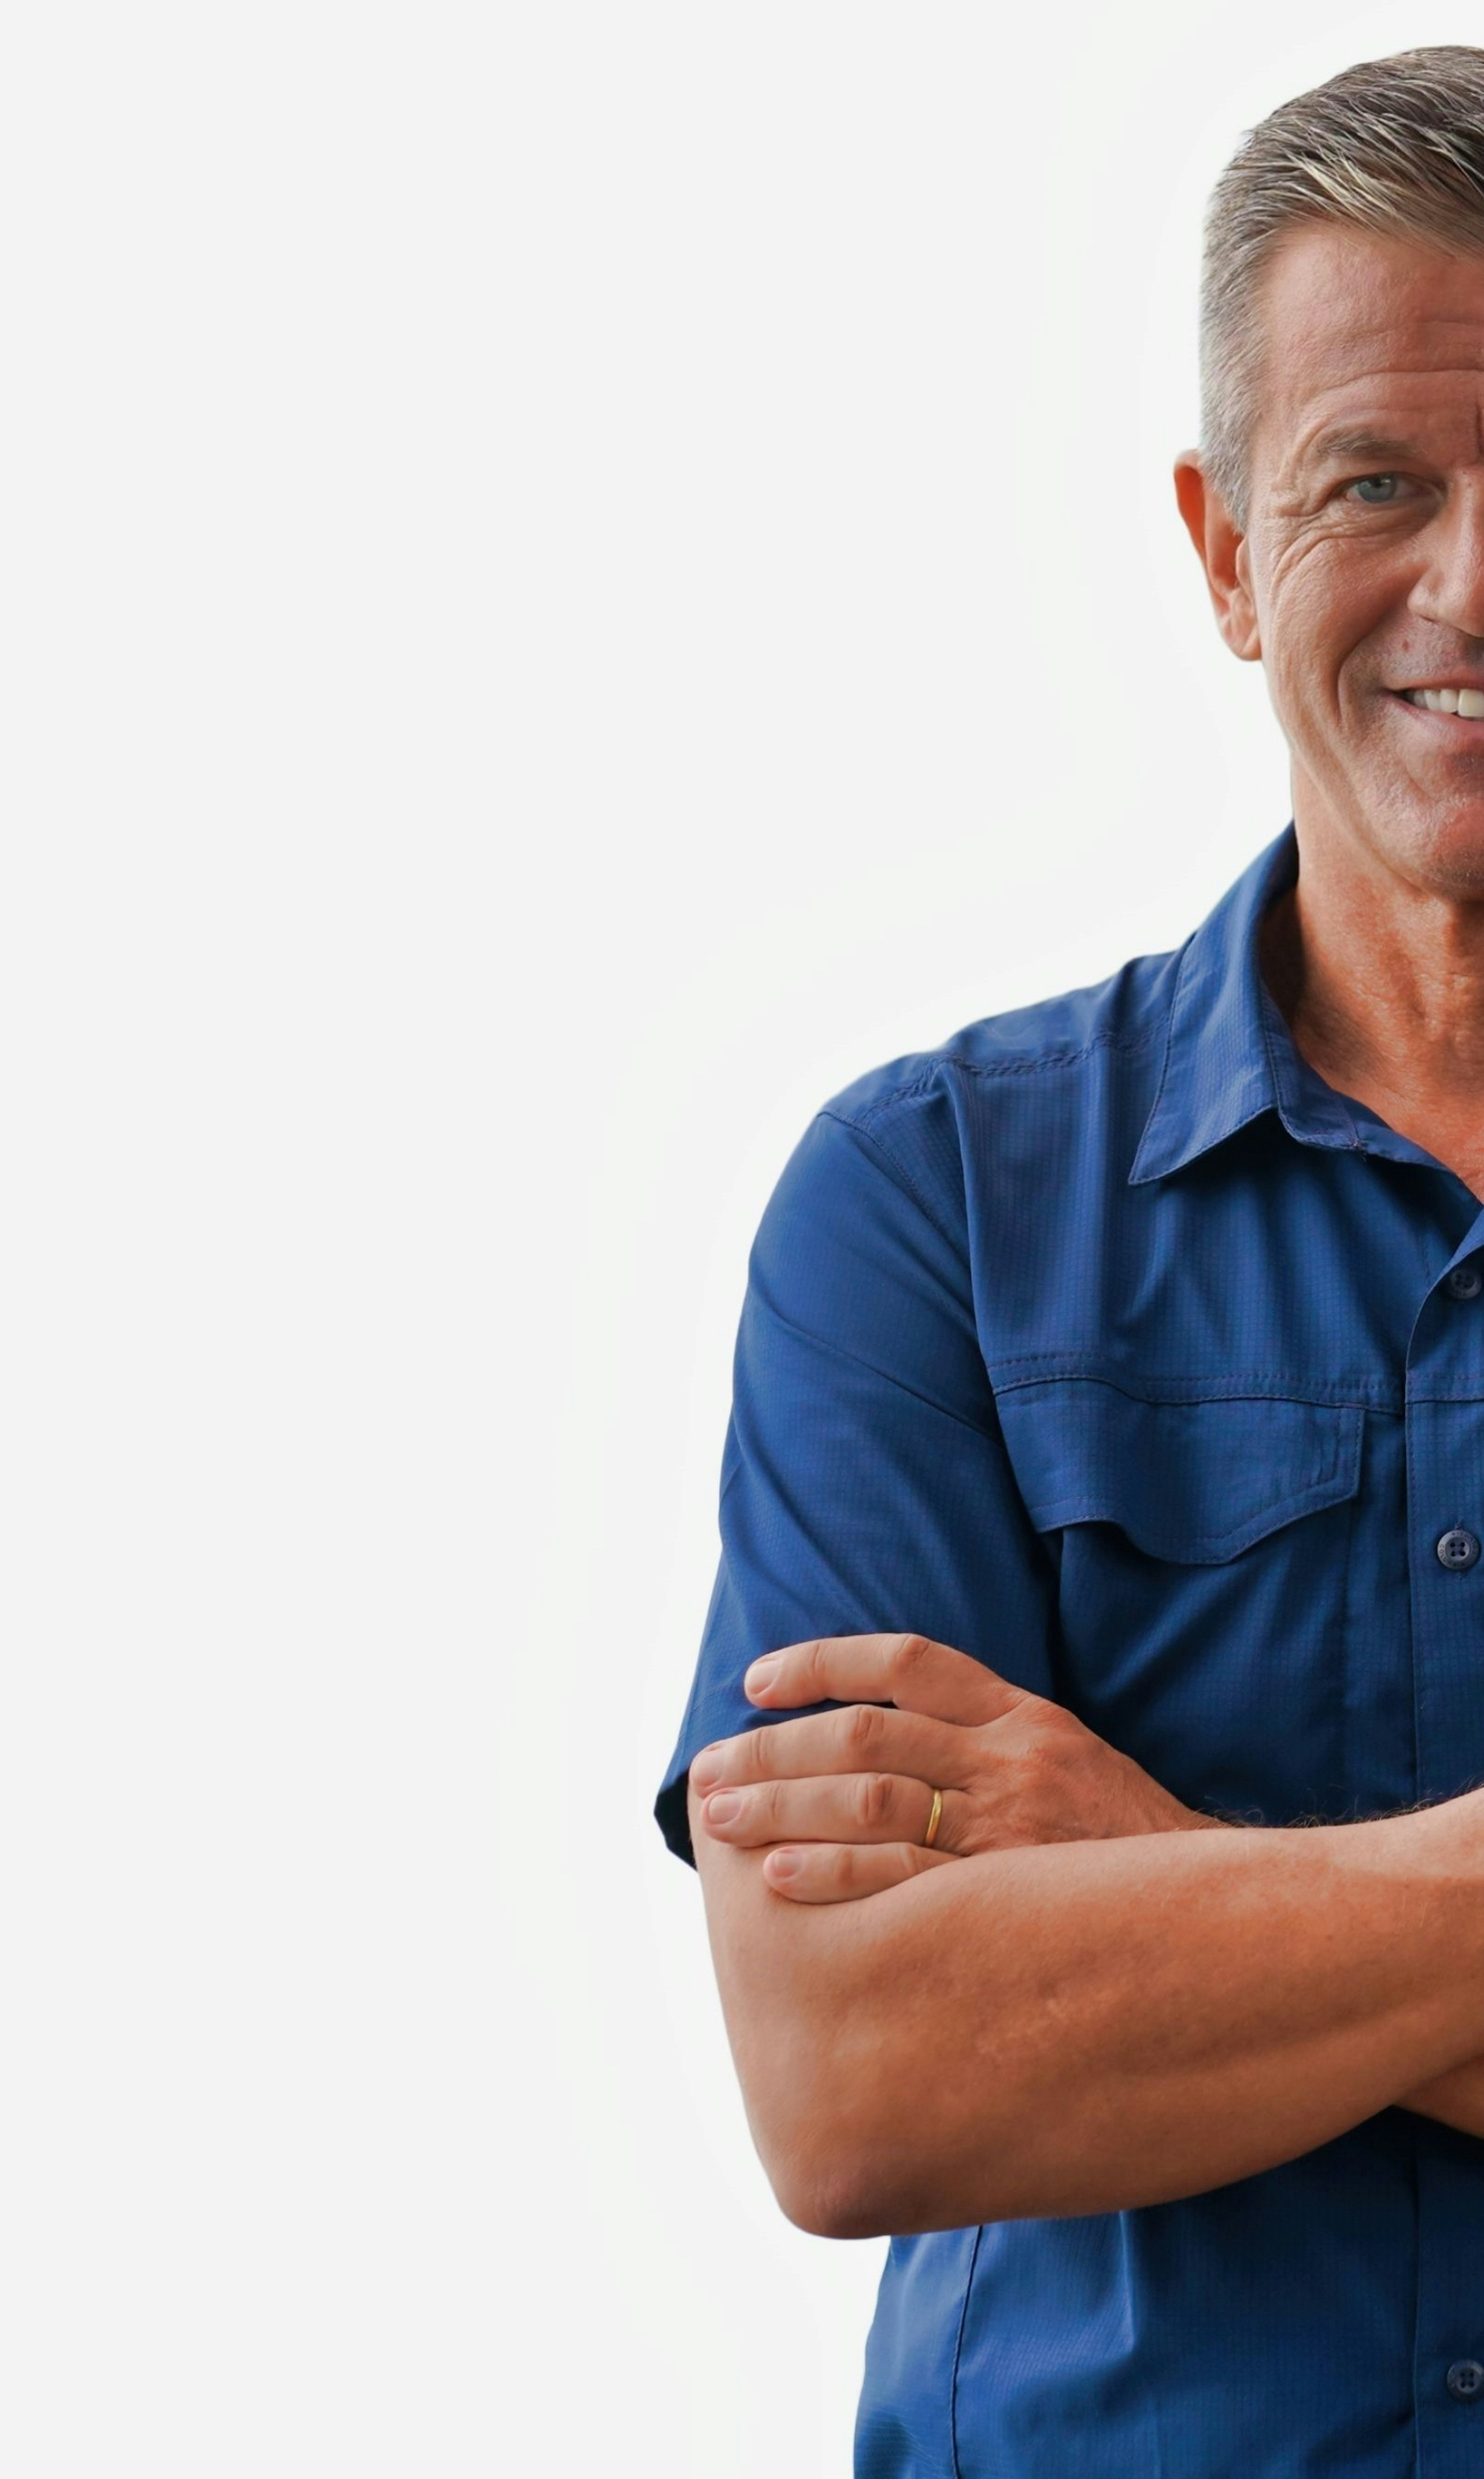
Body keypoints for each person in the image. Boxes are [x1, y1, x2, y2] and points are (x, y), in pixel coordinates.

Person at [652, 44, 1484, 2476]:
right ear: (1223, 553)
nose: (1471, 581)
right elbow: (855, 2077)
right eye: (1376, 486)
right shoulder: (924, 1209)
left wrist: (1152, 1879)